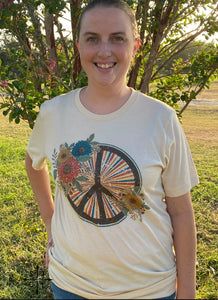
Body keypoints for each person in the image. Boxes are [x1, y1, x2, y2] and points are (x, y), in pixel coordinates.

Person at [25, 0, 199, 299]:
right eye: (92, 38)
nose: (104, 51)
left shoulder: (161, 118)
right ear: (78, 45)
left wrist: (187, 291)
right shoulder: (53, 113)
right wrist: (51, 224)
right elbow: (33, 163)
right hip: (71, 285)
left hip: (149, 289)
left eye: (117, 38)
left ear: (136, 46)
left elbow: (182, 212)